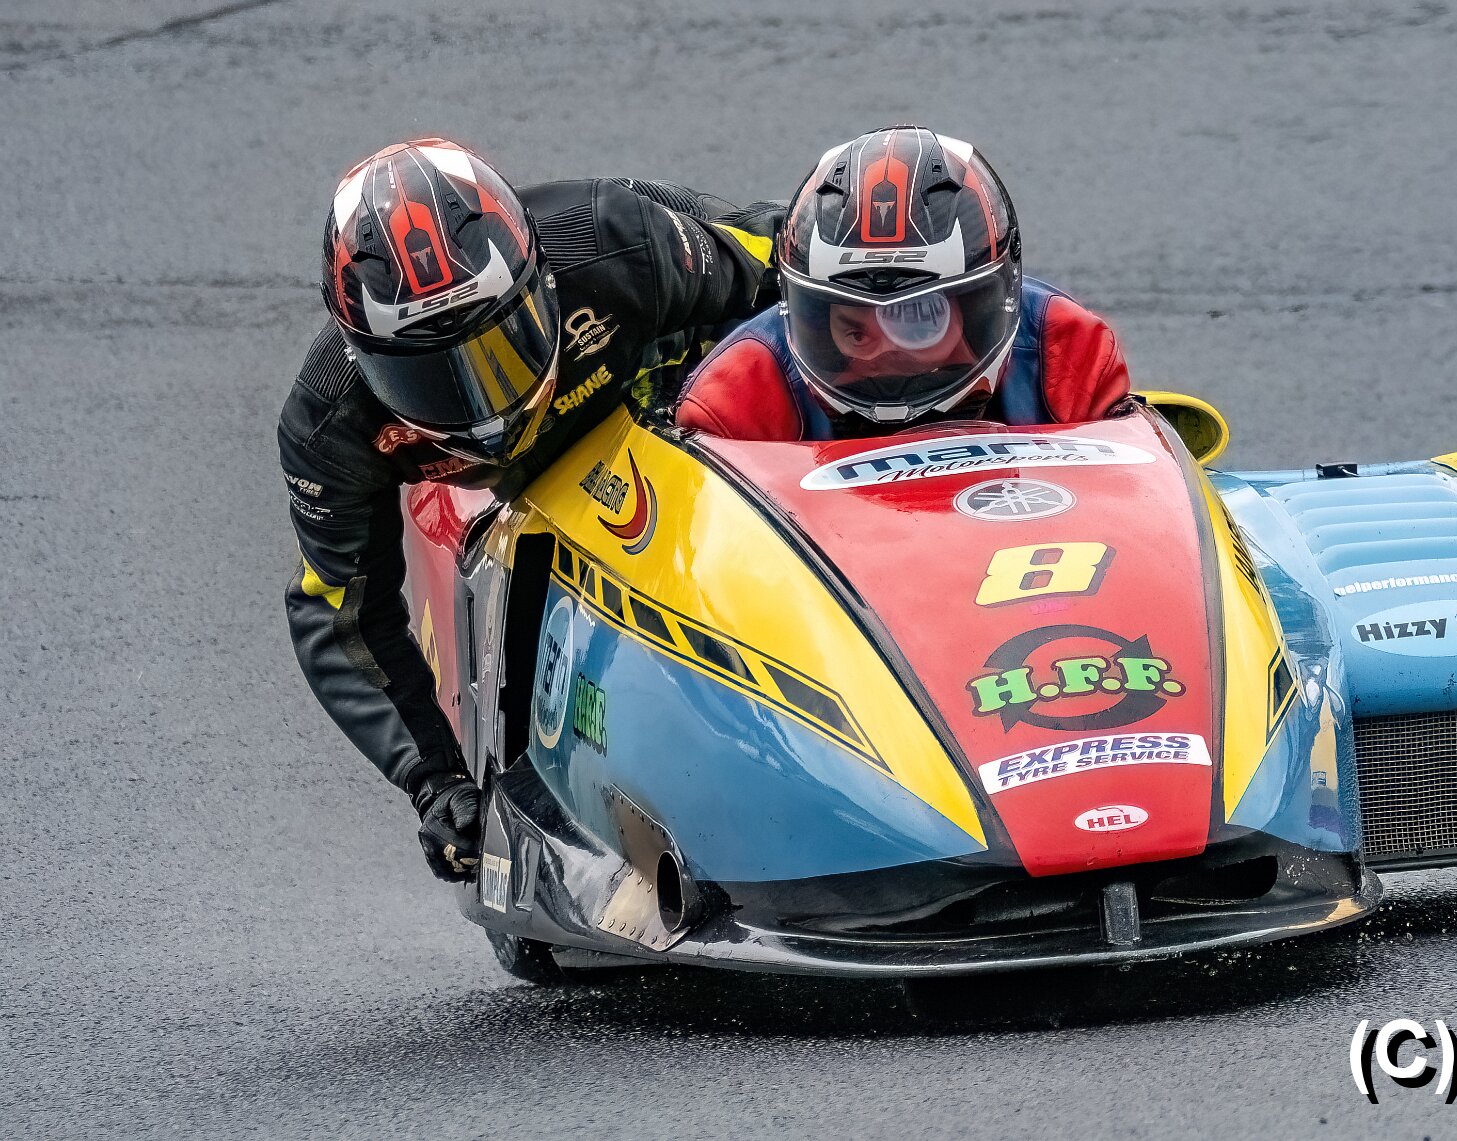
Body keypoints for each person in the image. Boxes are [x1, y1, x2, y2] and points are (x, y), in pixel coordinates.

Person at [280, 138, 781, 882]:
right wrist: (435, 780)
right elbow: (340, 611)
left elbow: (787, 270)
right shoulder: (329, 424)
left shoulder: (620, 244)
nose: (478, 402)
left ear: (539, 281)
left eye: (498, 346)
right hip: (518, 495)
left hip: (666, 407)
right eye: (427, 377)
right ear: (362, 358)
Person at [674, 126, 1130, 440]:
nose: (888, 359)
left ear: (981, 310)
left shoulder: (1065, 352)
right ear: (811, 318)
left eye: (917, 316)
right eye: (856, 330)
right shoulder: (737, 395)